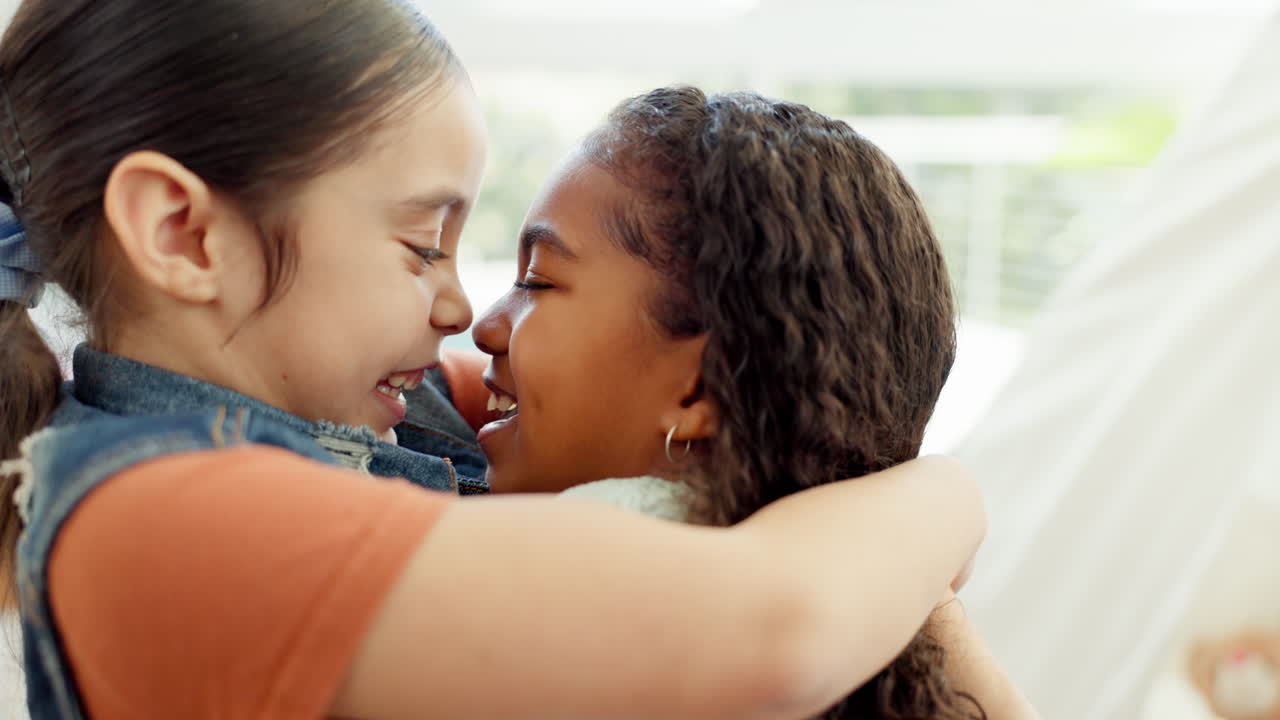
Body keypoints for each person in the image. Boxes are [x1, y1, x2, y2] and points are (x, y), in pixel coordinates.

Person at [0, 2, 985, 719]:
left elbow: (675, 392)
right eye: (421, 243)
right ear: (182, 234)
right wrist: (946, 494)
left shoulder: (379, 404)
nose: (460, 309)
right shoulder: (158, 522)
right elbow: (778, 634)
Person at [469, 86, 1037, 719]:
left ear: (698, 388)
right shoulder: (880, 619)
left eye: (539, 281)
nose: (482, 326)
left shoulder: (560, 603)